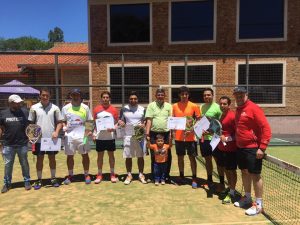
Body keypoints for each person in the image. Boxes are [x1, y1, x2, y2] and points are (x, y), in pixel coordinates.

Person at [232, 86, 271, 216]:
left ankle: (258, 204)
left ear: (246, 94)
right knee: (244, 172)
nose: (239, 97)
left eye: (241, 94)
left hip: (253, 148)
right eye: (236, 95)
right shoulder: (238, 109)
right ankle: (247, 198)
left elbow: (266, 128)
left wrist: (262, 147)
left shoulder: (254, 108)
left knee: (255, 175)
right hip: (240, 148)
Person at [28, 87, 63, 189]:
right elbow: (31, 124)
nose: (45, 97)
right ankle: (39, 180)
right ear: (40, 95)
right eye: (43, 95)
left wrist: (56, 132)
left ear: (50, 96)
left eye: (47, 95)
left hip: (51, 139)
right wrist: (32, 136)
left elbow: (60, 122)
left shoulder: (55, 108)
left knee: (52, 158)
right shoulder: (34, 108)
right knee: (39, 159)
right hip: (38, 140)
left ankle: (53, 178)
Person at [61, 88, 93, 185]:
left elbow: (89, 121)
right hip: (69, 136)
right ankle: (70, 175)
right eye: (73, 95)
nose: (75, 96)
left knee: (85, 155)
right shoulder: (65, 108)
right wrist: (64, 127)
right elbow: (63, 120)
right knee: (70, 156)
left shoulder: (85, 107)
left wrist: (87, 132)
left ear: (80, 96)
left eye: (77, 95)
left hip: (82, 136)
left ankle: (86, 174)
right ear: (71, 96)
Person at [0, 95, 31, 193]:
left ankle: (27, 181)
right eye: (16, 102)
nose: (18, 104)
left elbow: (29, 126)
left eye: (19, 102)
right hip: (8, 144)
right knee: (8, 165)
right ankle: (7, 183)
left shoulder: (25, 112)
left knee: (24, 164)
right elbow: (0, 128)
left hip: (22, 144)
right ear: (10, 103)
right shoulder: (3, 113)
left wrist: (31, 137)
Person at [172, 86, 201, 188]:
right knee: (180, 158)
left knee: (192, 158)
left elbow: (198, 120)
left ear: (188, 95)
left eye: (186, 94)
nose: (184, 96)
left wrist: (192, 129)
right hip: (179, 138)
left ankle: (194, 178)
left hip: (191, 137)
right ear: (179, 95)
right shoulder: (174, 106)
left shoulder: (194, 106)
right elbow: (172, 121)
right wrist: (172, 133)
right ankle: (181, 176)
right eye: (182, 94)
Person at [118, 91, 147, 185]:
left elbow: (146, 121)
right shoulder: (124, 109)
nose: (133, 100)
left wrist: (144, 124)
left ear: (137, 100)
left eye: (135, 99)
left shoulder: (143, 109)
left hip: (139, 135)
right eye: (131, 99)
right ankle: (129, 175)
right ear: (129, 99)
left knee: (140, 156)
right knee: (128, 156)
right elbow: (120, 120)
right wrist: (121, 123)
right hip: (128, 135)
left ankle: (141, 174)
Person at [214, 96, 238, 204]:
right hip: (221, 148)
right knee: (226, 170)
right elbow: (220, 131)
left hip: (232, 150)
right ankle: (230, 187)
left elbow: (238, 134)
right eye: (221, 104)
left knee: (232, 171)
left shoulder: (233, 116)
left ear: (229, 105)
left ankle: (232, 193)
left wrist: (227, 139)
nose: (222, 106)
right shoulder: (221, 116)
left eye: (225, 104)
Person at [145, 88, 172, 182]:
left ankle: (166, 175)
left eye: (162, 95)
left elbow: (170, 120)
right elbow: (149, 120)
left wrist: (171, 134)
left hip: (166, 133)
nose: (160, 96)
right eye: (158, 95)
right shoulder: (151, 105)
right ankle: (155, 175)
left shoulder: (169, 106)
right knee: (154, 154)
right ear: (156, 96)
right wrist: (147, 133)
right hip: (154, 133)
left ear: (164, 96)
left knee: (167, 154)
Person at [93, 91, 118, 183]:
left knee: (111, 156)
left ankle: (112, 174)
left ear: (109, 99)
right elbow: (95, 123)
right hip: (100, 137)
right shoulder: (96, 109)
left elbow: (117, 123)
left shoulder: (114, 110)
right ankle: (99, 174)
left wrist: (113, 128)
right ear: (101, 98)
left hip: (110, 137)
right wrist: (94, 134)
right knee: (100, 156)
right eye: (103, 97)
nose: (105, 99)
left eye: (107, 97)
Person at [199, 88, 223, 187]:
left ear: (212, 95)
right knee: (207, 160)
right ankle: (209, 180)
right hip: (204, 139)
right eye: (205, 95)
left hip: (215, 139)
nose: (206, 97)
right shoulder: (201, 107)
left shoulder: (218, 107)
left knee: (218, 161)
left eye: (208, 95)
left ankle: (221, 182)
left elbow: (221, 123)